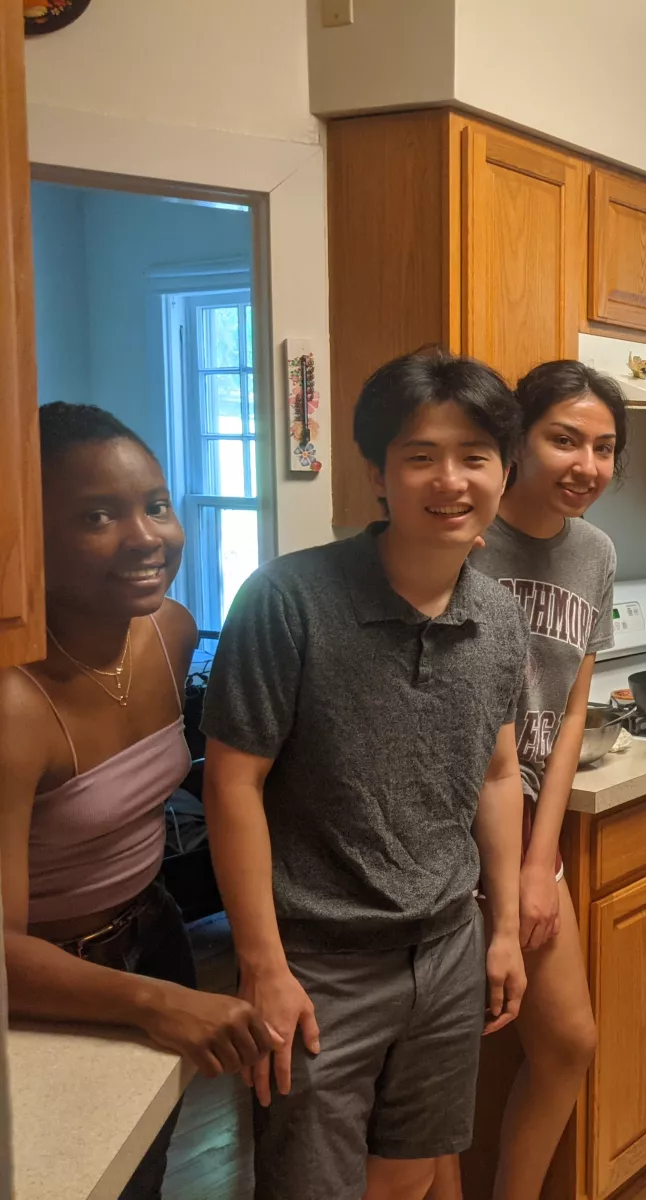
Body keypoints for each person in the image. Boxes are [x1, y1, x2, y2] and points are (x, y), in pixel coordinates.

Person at [201, 350, 530, 1200]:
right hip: (318, 962)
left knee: (410, 1173)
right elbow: (231, 785)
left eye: (474, 457)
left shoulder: (496, 614)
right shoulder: (286, 600)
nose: (449, 480)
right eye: (420, 455)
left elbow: (497, 775)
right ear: (378, 474)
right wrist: (262, 965)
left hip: (446, 949)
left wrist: (498, 929)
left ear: (504, 472)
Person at [0, 404, 276, 1200]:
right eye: (97, 516)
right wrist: (156, 1003)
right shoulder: (15, 706)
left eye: (155, 504)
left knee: (148, 1172)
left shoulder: (171, 632)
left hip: (151, 932)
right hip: (51, 983)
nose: (146, 536)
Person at [429, 361, 623, 1200]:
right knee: (438, 1070)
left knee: (568, 1042)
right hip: (440, 827)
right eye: (565, 440)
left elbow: (573, 709)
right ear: (519, 439)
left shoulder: (596, 554)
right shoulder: (462, 535)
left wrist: (540, 864)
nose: (587, 464)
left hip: (530, 817)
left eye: (606, 447)